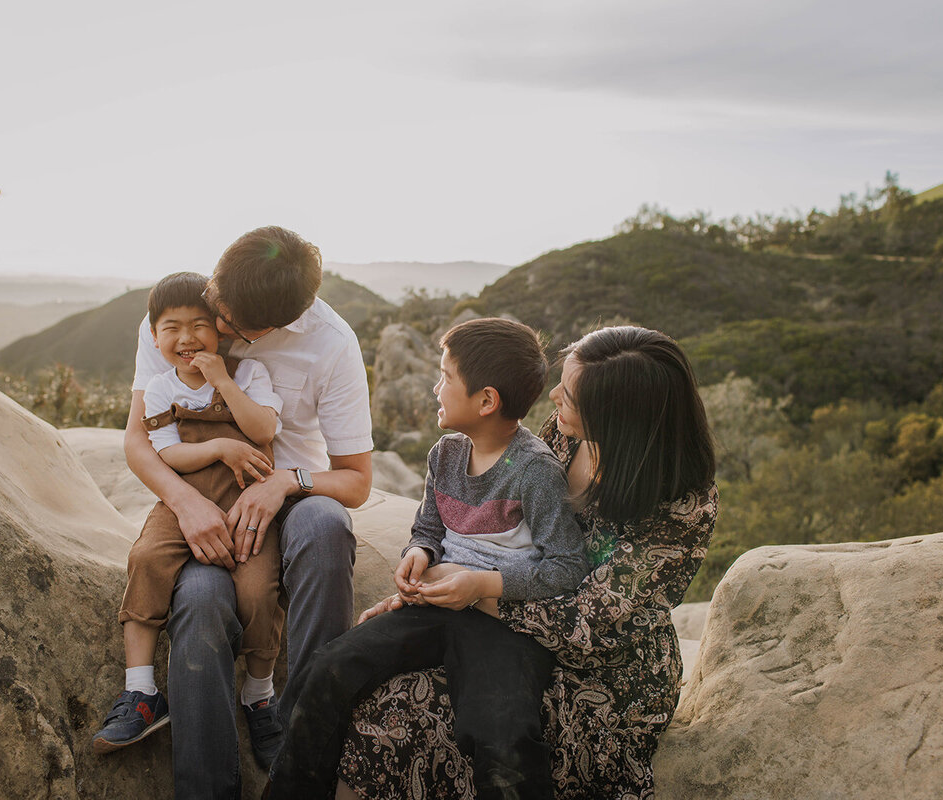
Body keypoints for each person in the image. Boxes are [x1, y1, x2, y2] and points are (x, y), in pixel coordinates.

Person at [336, 325, 719, 800]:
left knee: (417, 715)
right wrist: (424, 593)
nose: (554, 394)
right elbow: (509, 546)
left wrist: (469, 591)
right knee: (371, 693)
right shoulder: (561, 440)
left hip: (602, 673)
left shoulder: (680, 506)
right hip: (510, 629)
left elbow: (591, 622)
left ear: (615, 417)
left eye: (571, 395)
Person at [269, 317, 590, 800]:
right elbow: (429, 528)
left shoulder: (535, 471)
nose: (435, 387)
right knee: (329, 667)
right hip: (436, 605)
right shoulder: (445, 456)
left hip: (501, 623)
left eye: (445, 377)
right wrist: (418, 553)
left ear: (486, 400)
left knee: (500, 731)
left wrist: (481, 583)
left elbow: (566, 566)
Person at [123, 227, 373, 797]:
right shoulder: (182, 316)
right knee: (202, 600)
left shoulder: (332, 346)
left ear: (276, 328)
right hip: (205, 497)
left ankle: (307, 728)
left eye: (234, 327)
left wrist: (286, 481)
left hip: (295, 496)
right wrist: (186, 504)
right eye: (219, 307)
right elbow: (139, 440)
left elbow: (356, 482)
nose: (216, 331)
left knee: (327, 527)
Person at [92, 272, 285, 756]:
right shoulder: (159, 390)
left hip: (246, 505)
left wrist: (222, 380)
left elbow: (262, 429)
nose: (186, 338)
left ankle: (259, 695)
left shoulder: (248, 375)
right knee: (147, 559)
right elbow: (166, 455)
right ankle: (141, 689)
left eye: (199, 325)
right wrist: (219, 446)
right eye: (171, 327)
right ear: (153, 336)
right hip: (183, 499)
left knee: (259, 591)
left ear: (220, 328)